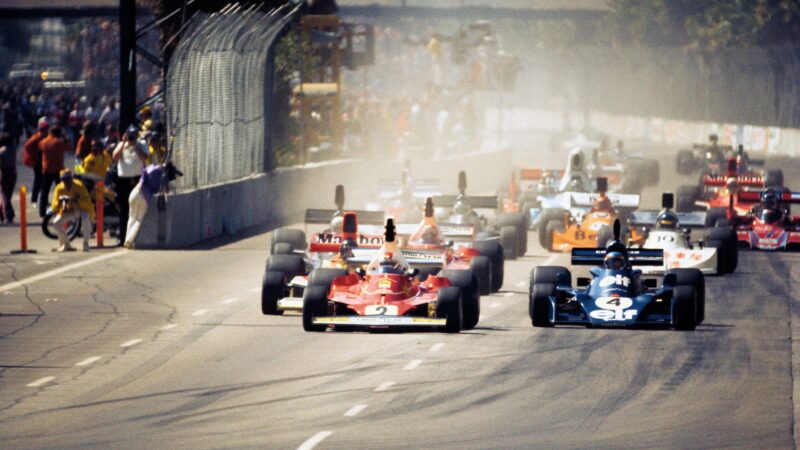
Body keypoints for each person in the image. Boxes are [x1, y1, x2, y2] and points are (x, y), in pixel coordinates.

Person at [123, 161, 181, 248]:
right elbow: (166, 190)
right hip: (145, 197)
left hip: (135, 192)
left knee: (131, 217)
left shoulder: (152, 167)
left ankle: (127, 239)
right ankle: (129, 240)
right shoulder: (163, 176)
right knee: (139, 220)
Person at [113, 128, 148, 246]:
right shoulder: (121, 145)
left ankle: (135, 238)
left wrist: (135, 145)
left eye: (133, 135)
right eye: (130, 135)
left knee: (137, 209)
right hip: (123, 180)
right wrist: (124, 143)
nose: (131, 137)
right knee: (123, 210)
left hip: (137, 179)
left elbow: (144, 157)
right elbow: (115, 157)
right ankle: (122, 237)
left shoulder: (142, 144)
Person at [51, 169, 94, 252]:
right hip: (68, 210)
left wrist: (75, 200)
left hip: (81, 208)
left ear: (71, 178)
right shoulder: (59, 188)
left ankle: (86, 243)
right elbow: (54, 204)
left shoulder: (79, 185)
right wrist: (60, 202)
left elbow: (87, 200)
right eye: (63, 179)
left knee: (86, 220)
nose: (66, 181)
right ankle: (66, 244)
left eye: (67, 179)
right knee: (56, 223)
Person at [38, 125, 73, 218]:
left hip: (47, 169)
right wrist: (65, 138)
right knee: (63, 190)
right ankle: (63, 208)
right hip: (58, 170)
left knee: (44, 191)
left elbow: (38, 148)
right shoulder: (58, 142)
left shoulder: (44, 141)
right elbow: (69, 148)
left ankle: (42, 211)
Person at [23, 118, 49, 206]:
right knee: (38, 181)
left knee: (42, 181)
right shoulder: (37, 137)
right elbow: (27, 146)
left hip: (43, 161)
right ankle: (34, 199)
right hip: (38, 162)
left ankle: (40, 199)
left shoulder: (44, 136)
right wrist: (34, 155)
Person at [0, 133, 17, 223]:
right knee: (7, 195)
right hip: (13, 171)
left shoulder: (2, 150)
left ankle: (9, 214)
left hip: (4, 172)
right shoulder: (13, 148)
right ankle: (2, 213)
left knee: (5, 195)